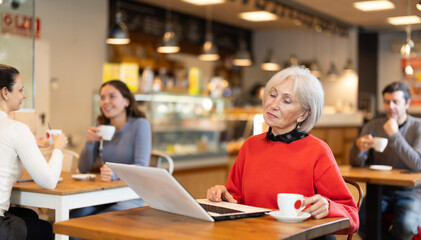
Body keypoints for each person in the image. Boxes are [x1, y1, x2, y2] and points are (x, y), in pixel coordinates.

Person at [207, 65, 359, 239]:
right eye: (272, 95)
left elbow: (352, 216)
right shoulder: (250, 146)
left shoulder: (318, 151)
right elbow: (236, 200)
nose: (273, 104)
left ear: (303, 115)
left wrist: (328, 206)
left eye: (286, 101)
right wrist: (222, 196)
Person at [0, 64, 68, 239]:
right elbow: (49, 181)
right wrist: (58, 147)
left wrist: (29, 145)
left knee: (30, 216)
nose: (24, 95)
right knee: (47, 229)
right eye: (21, 90)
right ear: (5, 93)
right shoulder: (16, 128)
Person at [349, 81, 421, 240]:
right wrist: (358, 148)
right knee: (358, 222)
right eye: (387, 102)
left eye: (396, 102)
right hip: (379, 190)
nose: (390, 107)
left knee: (406, 226)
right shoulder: (372, 126)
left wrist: (395, 136)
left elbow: (418, 164)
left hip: (410, 192)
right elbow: (355, 163)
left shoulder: (418, 127)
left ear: (407, 103)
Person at [72, 80, 152, 217]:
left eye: (112, 96)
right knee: (75, 217)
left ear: (126, 101)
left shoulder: (140, 125)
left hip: (133, 194)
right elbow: (83, 168)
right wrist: (90, 142)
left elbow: (142, 166)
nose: (106, 101)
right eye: (102, 97)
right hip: (107, 194)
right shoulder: (101, 125)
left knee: (101, 220)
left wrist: (115, 174)